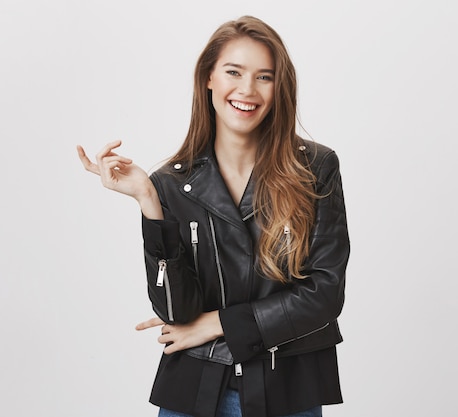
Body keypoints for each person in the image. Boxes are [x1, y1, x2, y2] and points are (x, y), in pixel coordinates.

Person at [77, 15, 349, 417]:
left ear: (279, 88)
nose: (247, 89)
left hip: (288, 389)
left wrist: (219, 323)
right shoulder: (169, 183)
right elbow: (176, 313)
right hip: (195, 391)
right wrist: (149, 203)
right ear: (208, 78)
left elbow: (325, 294)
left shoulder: (314, 168)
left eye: (264, 77)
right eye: (233, 72)